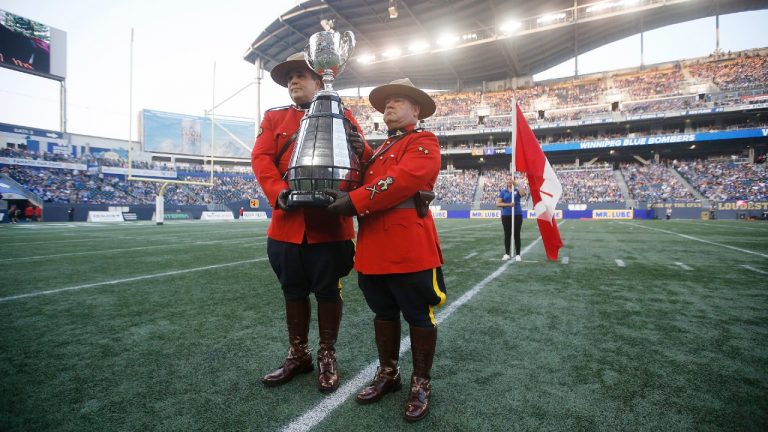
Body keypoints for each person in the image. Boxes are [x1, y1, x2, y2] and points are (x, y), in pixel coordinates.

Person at [325, 78, 445, 422]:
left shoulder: (423, 140)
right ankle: (388, 374)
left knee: (419, 315)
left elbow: (403, 179)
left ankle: (421, 383)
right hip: (374, 248)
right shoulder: (379, 150)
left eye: (397, 101)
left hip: (409, 248)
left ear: (415, 110)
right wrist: (359, 150)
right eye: (386, 103)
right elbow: (372, 174)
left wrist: (354, 201)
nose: (388, 107)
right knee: (383, 314)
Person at [251, 52, 369, 393]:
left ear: (321, 80)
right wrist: (278, 192)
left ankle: (327, 355)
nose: (293, 82)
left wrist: (362, 150)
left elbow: (364, 159)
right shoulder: (275, 117)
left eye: (300, 75)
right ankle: (298, 354)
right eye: (289, 78)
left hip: (330, 228)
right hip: (286, 226)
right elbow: (260, 159)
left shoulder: (343, 114)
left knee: (329, 292)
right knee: (293, 291)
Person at [496, 176, 527, 262]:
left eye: (511, 179)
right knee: (507, 234)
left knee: (516, 234)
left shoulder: (517, 190)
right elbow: (498, 204)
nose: (509, 181)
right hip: (506, 215)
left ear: (513, 180)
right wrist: (509, 205)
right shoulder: (503, 191)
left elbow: (524, 194)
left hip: (517, 214)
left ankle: (518, 254)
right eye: (508, 179)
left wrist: (517, 184)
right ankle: (507, 254)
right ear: (506, 181)